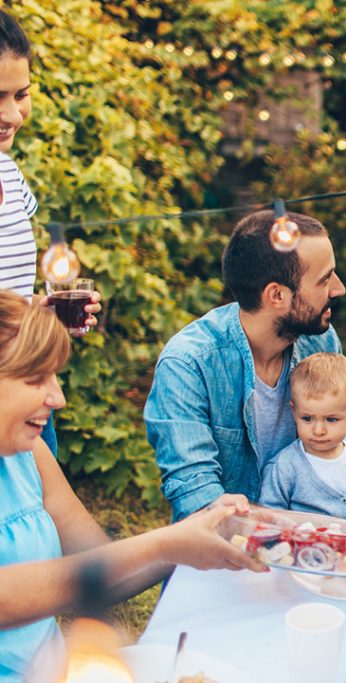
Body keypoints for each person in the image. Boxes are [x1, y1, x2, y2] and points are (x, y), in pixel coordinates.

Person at [0, 290, 265, 681]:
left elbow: (99, 565)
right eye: (35, 378)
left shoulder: (28, 453)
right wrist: (166, 543)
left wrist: (200, 530)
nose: (57, 398)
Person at [145, 209, 345, 521]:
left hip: (311, 544)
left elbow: (333, 450)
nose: (338, 289)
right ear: (276, 294)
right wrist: (300, 526)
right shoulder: (187, 365)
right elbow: (199, 500)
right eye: (324, 279)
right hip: (225, 550)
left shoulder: (321, 343)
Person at [0, 9, 101, 459]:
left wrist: (40, 313)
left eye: (21, 94)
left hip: (30, 382)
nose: (12, 114)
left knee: (40, 521)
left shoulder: (10, 175)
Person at [259, 352, 346, 522]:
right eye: (307, 418)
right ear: (294, 412)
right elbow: (269, 520)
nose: (318, 430)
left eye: (331, 419)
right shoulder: (284, 467)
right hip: (305, 547)